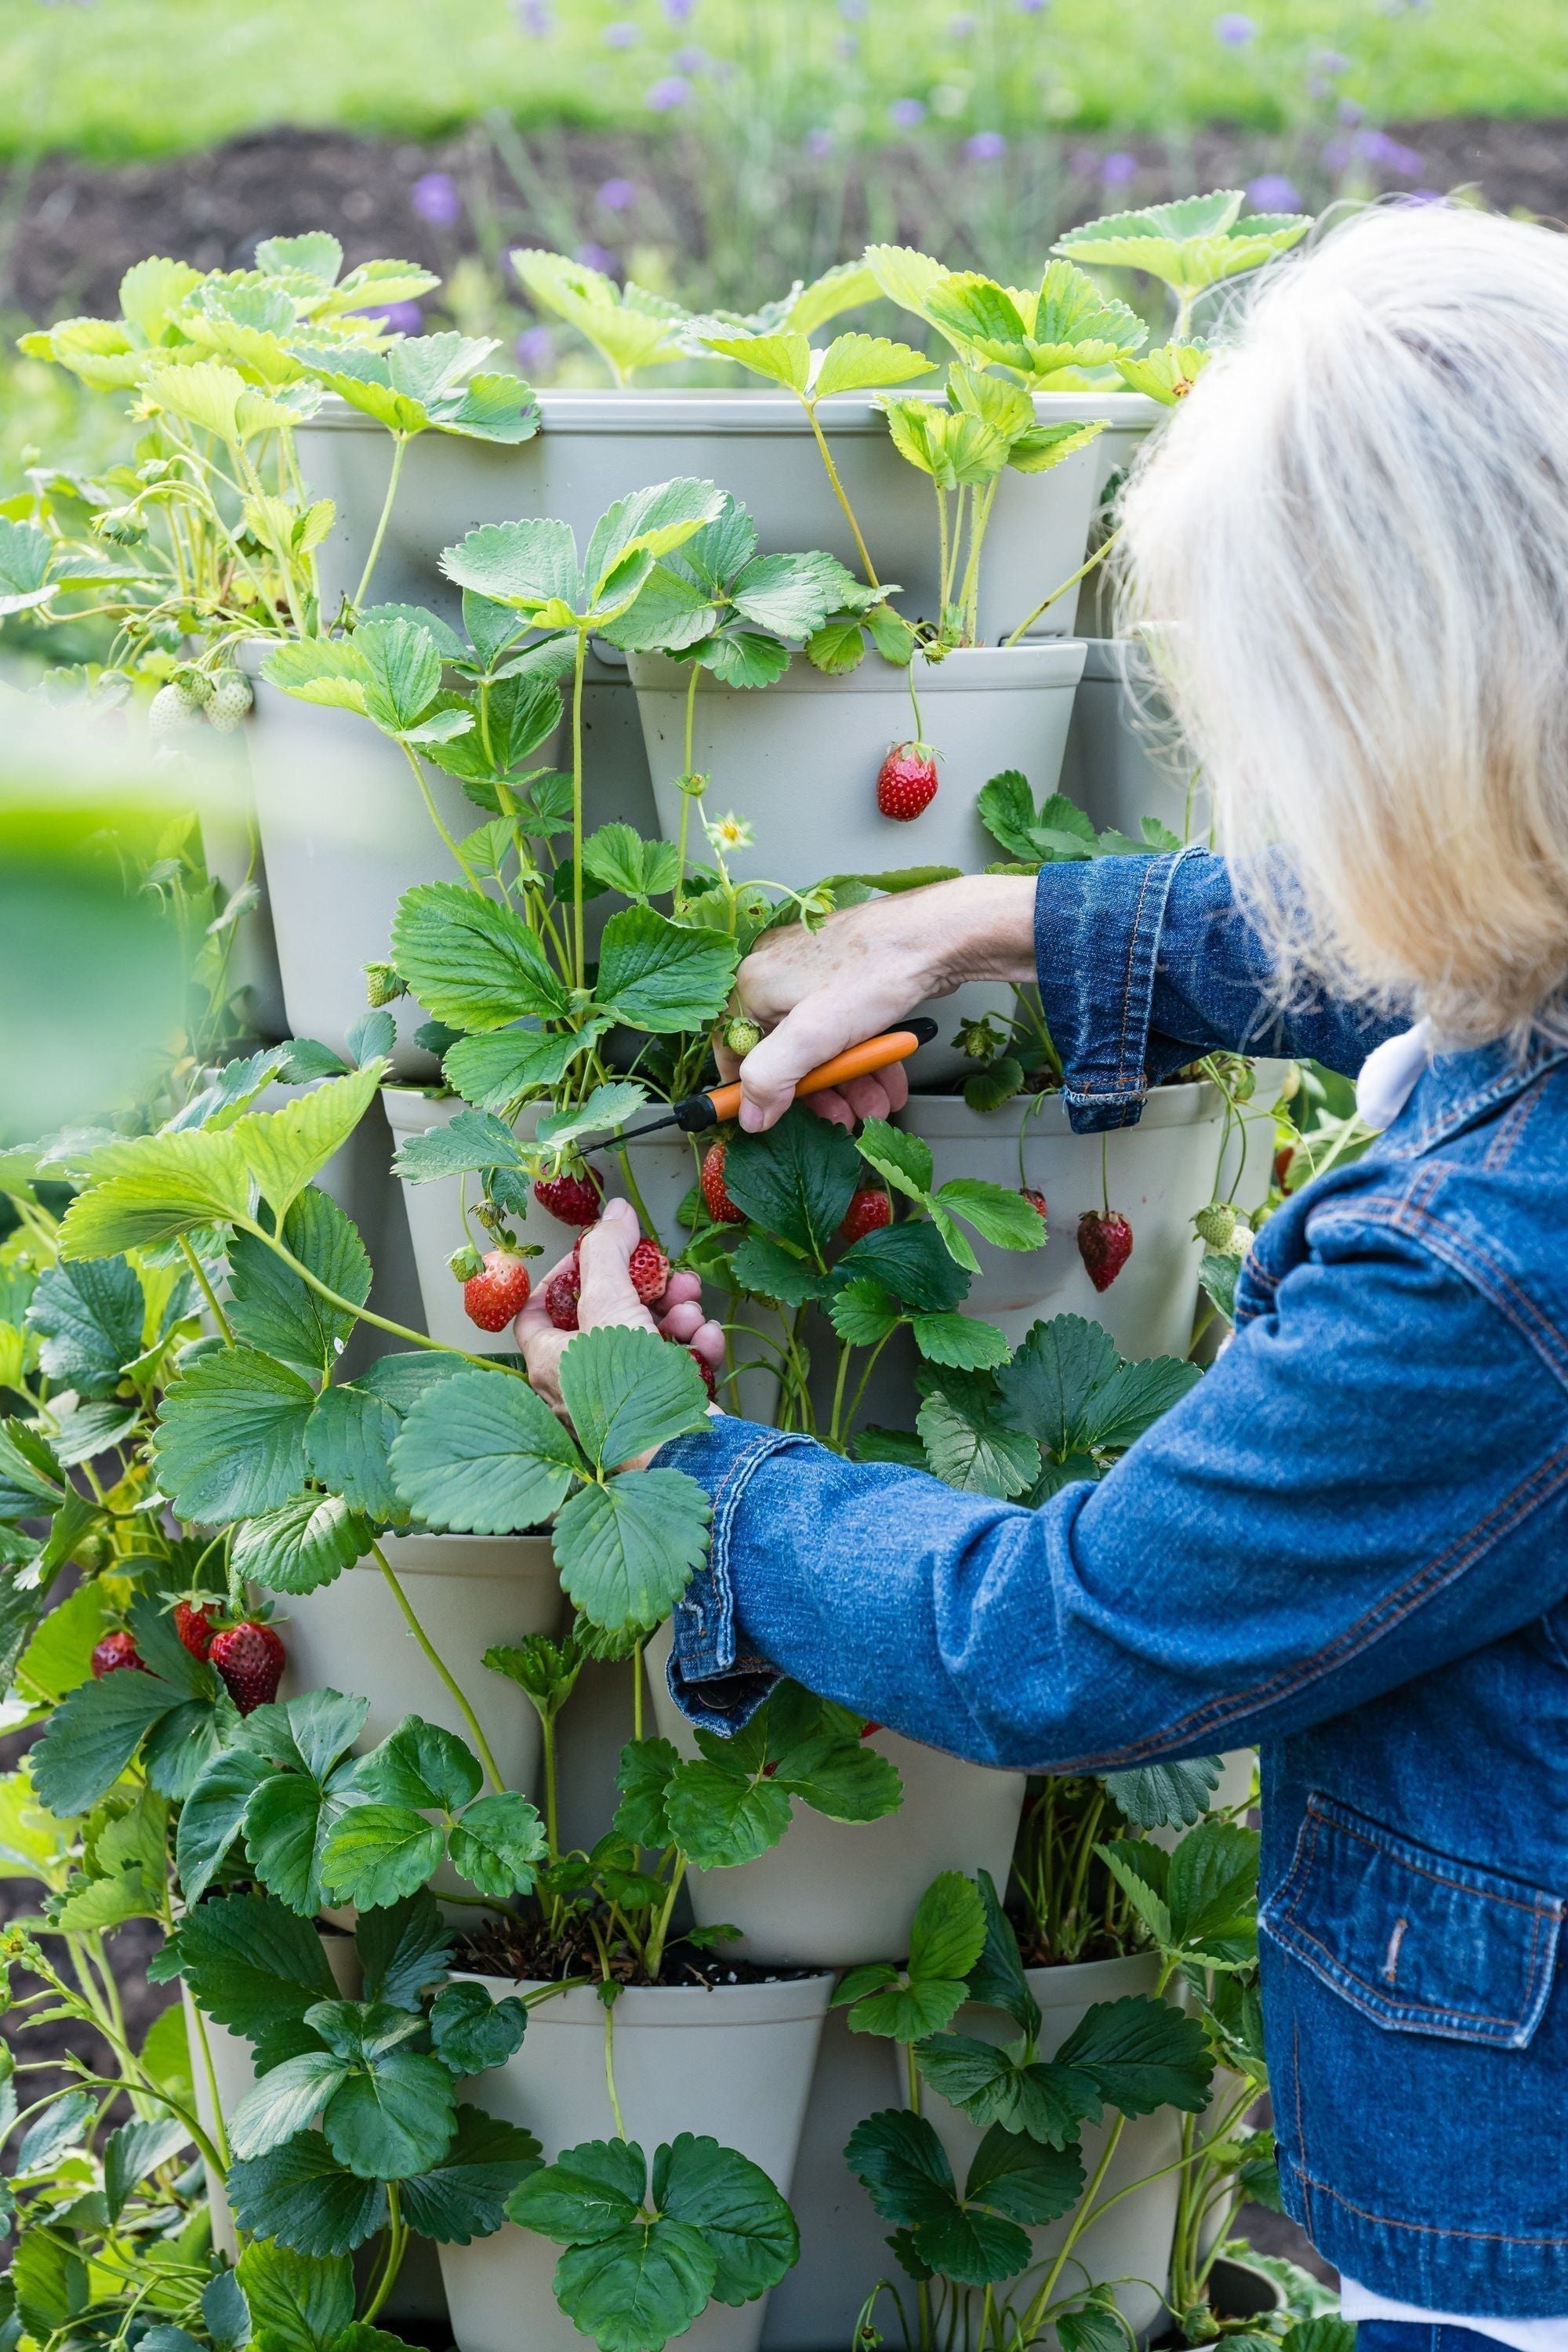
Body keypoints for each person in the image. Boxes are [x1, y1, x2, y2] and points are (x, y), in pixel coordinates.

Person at [517, 201, 1568, 2347]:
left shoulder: (1489, 1269)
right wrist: (991, 919)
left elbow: (1064, 1641)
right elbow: (1446, 940)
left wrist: (670, 1454)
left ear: (1420, 731)